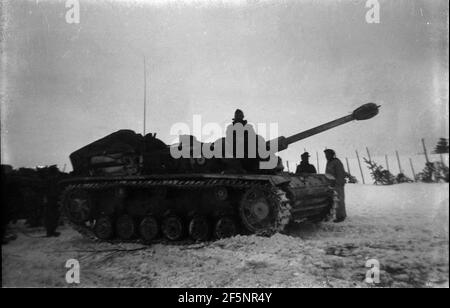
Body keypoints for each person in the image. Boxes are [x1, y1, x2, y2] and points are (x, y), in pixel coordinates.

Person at [324, 149, 346, 223]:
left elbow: (340, 173)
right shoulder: (329, 162)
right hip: (330, 184)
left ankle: (341, 216)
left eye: (328, 155)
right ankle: (332, 215)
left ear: (332, 155)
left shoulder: (336, 162)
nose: (326, 156)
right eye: (326, 155)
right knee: (332, 200)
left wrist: (338, 183)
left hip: (337, 184)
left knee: (339, 200)